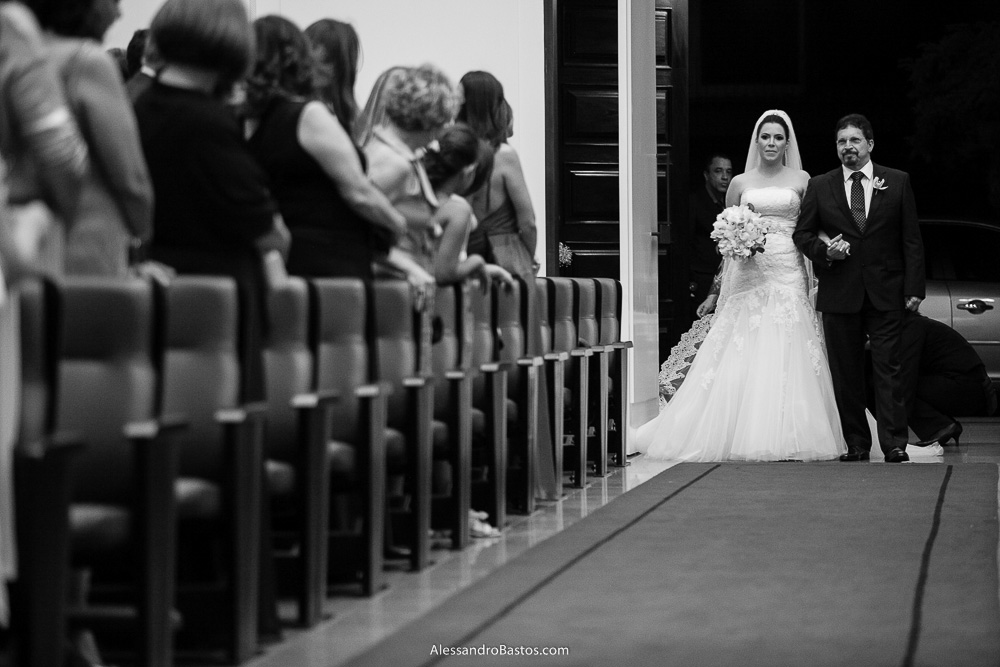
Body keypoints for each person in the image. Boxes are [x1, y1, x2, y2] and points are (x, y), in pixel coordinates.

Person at [636, 110, 845, 462]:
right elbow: (725, 238)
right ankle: (732, 430)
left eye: (778, 137)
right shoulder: (739, 183)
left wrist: (828, 248)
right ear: (756, 140)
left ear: (787, 142)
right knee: (741, 344)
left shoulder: (802, 179)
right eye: (766, 137)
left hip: (787, 268)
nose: (771, 143)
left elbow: (811, 225)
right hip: (747, 270)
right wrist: (716, 289)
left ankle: (789, 431)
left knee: (788, 341)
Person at [134, 0, 289, 403]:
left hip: (159, 288)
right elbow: (265, 229)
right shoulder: (207, 122)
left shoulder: (137, 106)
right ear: (233, 45)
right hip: (218, 303)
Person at [793, 113, 925, 463]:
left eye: (854, 140)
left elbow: (911, 238)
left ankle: (895, 443)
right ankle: (857, 443)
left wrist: (915, 287)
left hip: (887, 291)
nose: (847, 147)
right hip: (840, 291)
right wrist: (826, 253)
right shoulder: (821, 185)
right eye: (841, 142)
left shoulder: (896, 181)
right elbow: (802, 234)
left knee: (889, 369)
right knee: (846, 373)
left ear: (869, 144)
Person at [246, 15, 405, 280]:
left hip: (286, 255)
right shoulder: (308, 115)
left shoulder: (252, 120)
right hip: (328, 260)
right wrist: (395, 223)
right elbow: (358, 191)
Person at [30, 0, 154, 276]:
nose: (118, 13)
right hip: (88, 239)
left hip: (31, 240)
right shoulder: (88, 63)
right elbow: (130, 176)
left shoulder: (23, 57)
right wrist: (143, 235)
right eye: (113, 2)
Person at [457, 71, 538, 279]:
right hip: (505, 257)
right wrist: (526, 258)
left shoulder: (452, 150)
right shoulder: (504, 155)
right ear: (495, 105)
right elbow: (527, 221)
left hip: (461, 254)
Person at [899, 311, 996, 446]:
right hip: (972, 386)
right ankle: (940, 426)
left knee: (896, 386)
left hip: (969, 388)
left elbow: (906, 375)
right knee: (898, 385)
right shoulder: (917, 324)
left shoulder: (912, 327)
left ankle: (940, 427)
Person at [689, 153, 732, 315]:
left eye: (728, 172)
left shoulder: (729, 203)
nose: (724, 177)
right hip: (701, 277)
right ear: (707, 175)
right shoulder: (694, 202)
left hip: (725, 276)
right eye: (718, 171)